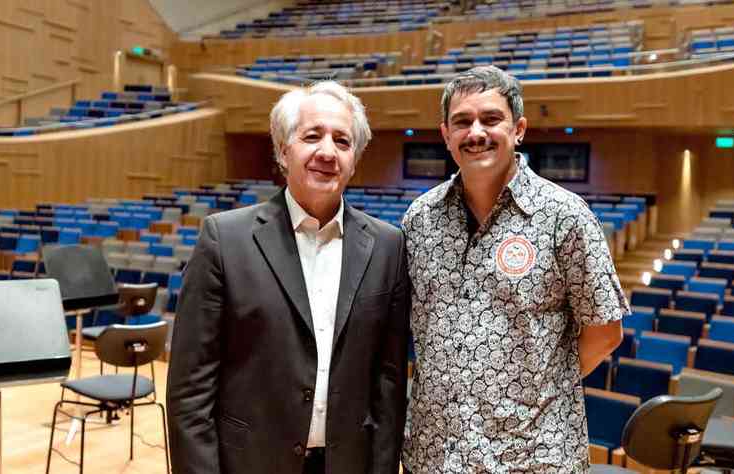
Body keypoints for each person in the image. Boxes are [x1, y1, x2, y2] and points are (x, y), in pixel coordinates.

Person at [167, 81, 410, 474]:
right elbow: (190, 392)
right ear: (284, 150)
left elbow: (389, 384)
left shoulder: (388, 246)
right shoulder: (223, 240)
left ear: (355, 158)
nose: (327, 152)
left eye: (342, 141)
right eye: (312, 136)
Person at [401, 66, 629, 473]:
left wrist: (536, 390)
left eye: (491, 119)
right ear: (445, 135)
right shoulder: (420, 219)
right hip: (436, 453)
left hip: (533, 456)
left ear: (519, 128)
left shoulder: (565, 216)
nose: (476, 133)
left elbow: (605, 332)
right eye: (462, 122)